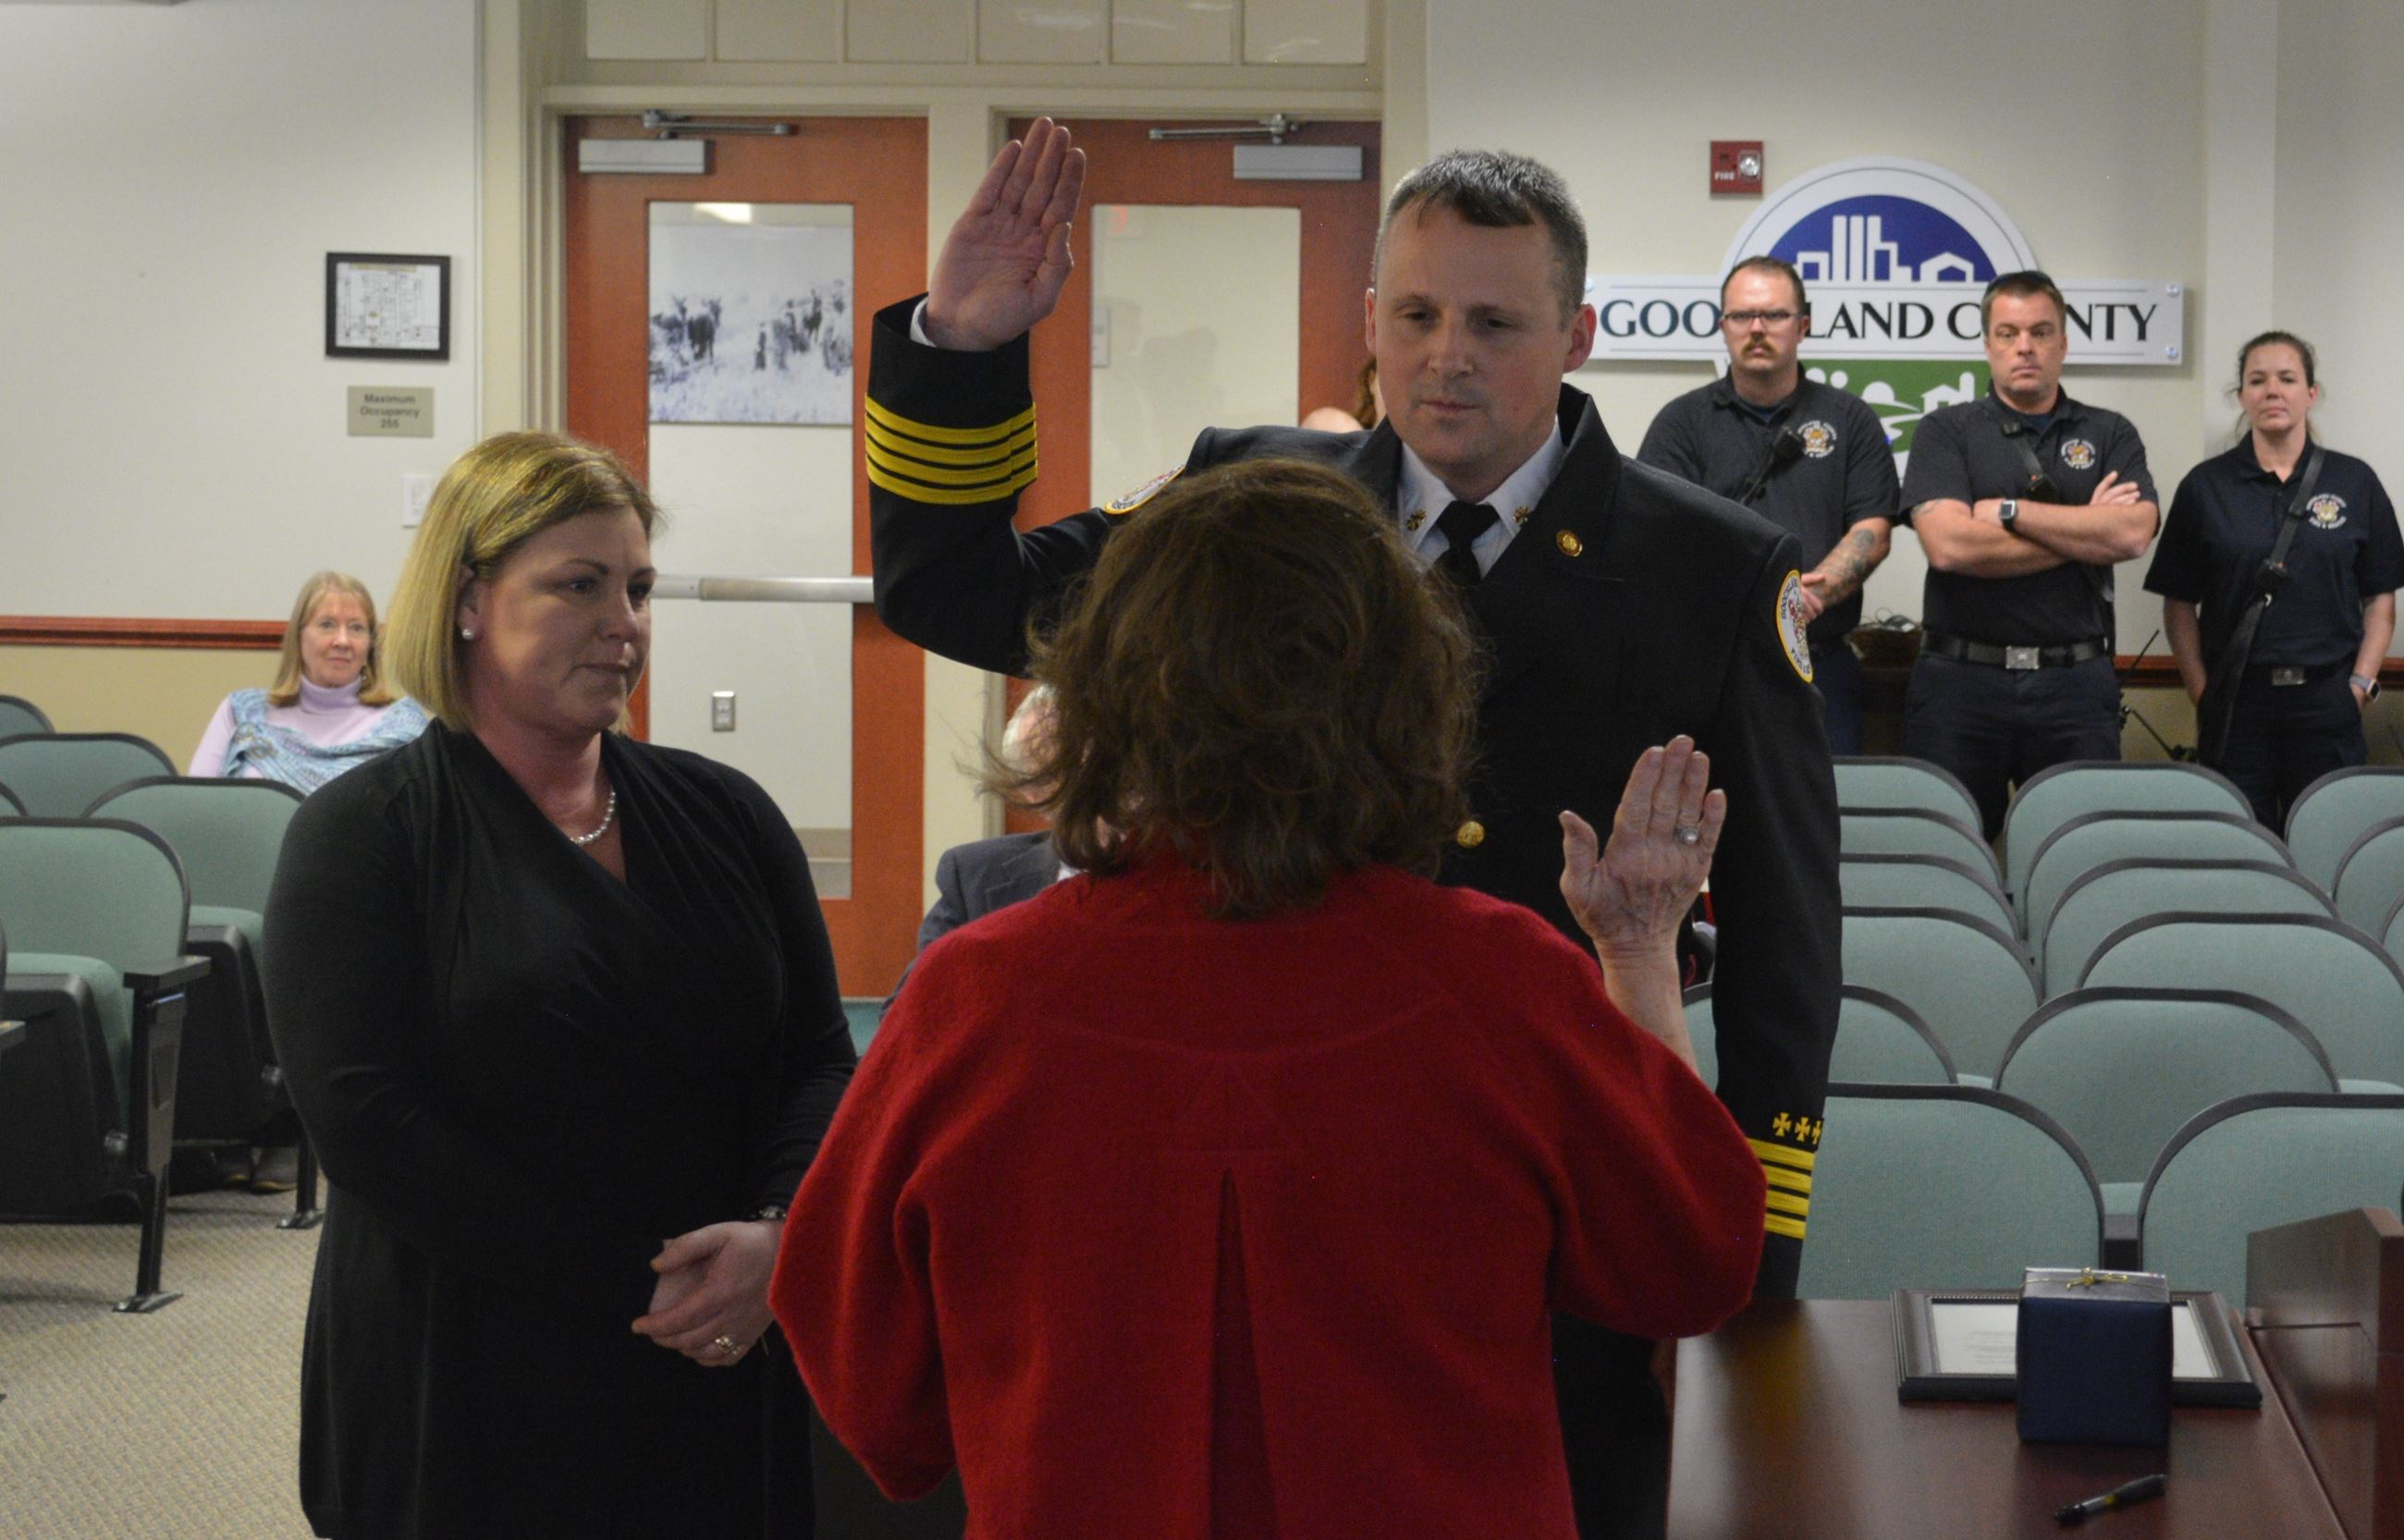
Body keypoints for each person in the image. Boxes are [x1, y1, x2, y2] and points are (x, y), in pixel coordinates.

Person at [861, 120, 1837, 1539]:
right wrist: (962, 345)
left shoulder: (1710, 567)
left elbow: (1787, 950)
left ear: (1578, 331)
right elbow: (955, 594)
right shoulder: (1254, 502)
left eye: (1495, 322)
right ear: (1372, 321)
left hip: (1536, 1220)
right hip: (1264, 1188)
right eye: (1420, 315)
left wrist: (1752, 1272)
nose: (1448, 356)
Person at [776, 457, 1765, 1540]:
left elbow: (869, 1390)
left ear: (1108, 693)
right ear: (1406, 699)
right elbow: (1692, 1258)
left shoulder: (973, 998)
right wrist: (1633, 955)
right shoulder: (1502, 983)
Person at [261, 432, 856, 1540]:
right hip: (471, 1356)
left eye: (636, 587)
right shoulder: (363, 833)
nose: (623, 622)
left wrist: (781, 1235)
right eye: (577, 585)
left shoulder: (727, 814)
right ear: (470, 600)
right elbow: (363, 1118)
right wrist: (636, 1280)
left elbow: (820, 1056)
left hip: (718, 1336)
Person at [1898, 270, 2161, 837]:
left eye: (2041, 332)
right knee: (1947, 852)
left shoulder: (2110, 432)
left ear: (2063, 344)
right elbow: (1948, 546)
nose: (2025, 346)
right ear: (1988, 344)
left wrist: (2013, 513)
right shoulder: (1945, 431)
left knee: (2080, 855)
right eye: (2009, 333)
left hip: (2075, 684)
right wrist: (2089, 530)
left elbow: (2134, 535)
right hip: (1961, 685)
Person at [1637, 256, 1897, 753]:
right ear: (1723, 327)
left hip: (1819, 661)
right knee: (1708, 818)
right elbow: (1662, 535)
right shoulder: (1683, 422)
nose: (1757, 329)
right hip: (1711, 662)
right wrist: (1762, 603)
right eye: (1741, 316)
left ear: (1802, 325)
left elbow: (1873, 530)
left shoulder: (1851, 418)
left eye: (1774, 316)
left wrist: (1803, 599)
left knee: (1826, 821)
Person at [2146, 331, 2402, 826]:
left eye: (2288, 379)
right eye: (2257, 380)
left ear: (2311, 392)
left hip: (2328, 701)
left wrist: (2360, 685)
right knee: (2242, 849)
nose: (2272, 391)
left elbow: (2380, 599)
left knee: (2330, 844)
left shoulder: (2355, 481)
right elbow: (2178, 605)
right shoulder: (2205, 487)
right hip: (2237, 706)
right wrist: (2203, 693)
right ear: (2241, 395)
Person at [188, 570, 428, 789]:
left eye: (356, 628)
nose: (342, 641)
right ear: (298, 639)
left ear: (370, 646)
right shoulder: (242, 714)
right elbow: (198, 805)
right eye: (327, 625)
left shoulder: (403, 729)